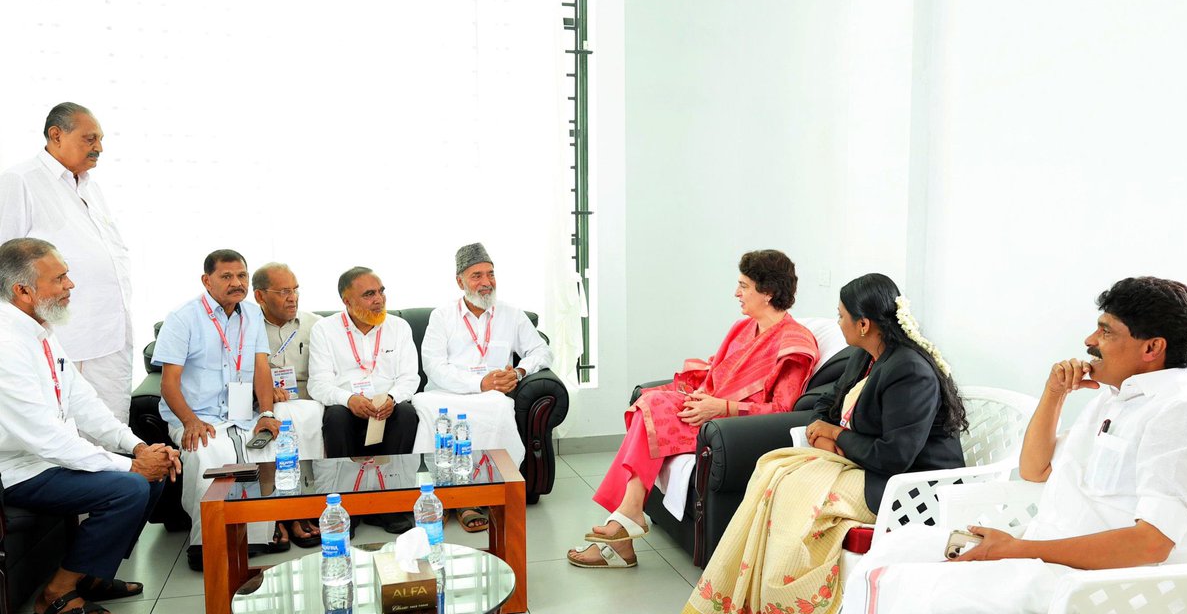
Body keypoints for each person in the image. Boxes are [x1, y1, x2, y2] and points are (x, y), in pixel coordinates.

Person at [824, 276, 1187, 614]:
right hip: (1041, 555)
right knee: (894, 551)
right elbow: (1035, 468)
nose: (1089, 341)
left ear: (1153, 348)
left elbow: (1150, 544)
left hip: (1101, 590)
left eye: (1106, 331)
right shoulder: (1116, 397)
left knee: (932, 598)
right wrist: (1054, 394)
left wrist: (1018, 548)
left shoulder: (1180, 413)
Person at [678, 272, 966, 614]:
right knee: (770, 470)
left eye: (842, 317)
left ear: (864, 324)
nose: (839, 323)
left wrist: (838, 437)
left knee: (797, 493)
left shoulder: (909, 370)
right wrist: (827, 433)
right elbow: (823, 408)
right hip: (865, 465)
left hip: (907, 486)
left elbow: (897, 456)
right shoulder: (865, 357)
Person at [569, 250, 820, 568]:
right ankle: (626, 522)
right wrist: (703, 398)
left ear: (768, 292)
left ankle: (625, 523)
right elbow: (715, 376)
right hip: (708, 407)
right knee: (648, 401)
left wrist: (723, 407)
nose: (736, 293)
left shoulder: (794, 343)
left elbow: (782, 409)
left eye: (743, 286)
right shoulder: (742, 328)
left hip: (734, 428)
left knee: (652, 407)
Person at [0, 239, 178, 614]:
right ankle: (55, 596)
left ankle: (91, 575)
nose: (71, 285)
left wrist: (139, 446)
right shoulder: (6, 345)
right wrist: (132, 465)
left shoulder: (40, 333)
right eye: (60, 278)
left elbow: (85, 403)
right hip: (16, 471)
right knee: (129, 487)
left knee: (153, 472)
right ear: (23, 291)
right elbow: (46, 438)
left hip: (45, 460)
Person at [0, 103, 134, 422]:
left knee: (113, 434)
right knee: (61, 442)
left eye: (100, 139)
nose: (99, 148)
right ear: (56, 135)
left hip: (110, 335)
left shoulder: (91, 186)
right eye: (90, 139)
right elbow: (5, 264)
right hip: (62, 340)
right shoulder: (19, 180)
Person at [153, 249, 281, 571]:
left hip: (239, 414)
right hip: (196, 416)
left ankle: (253, 537)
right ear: (206, 280)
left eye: (242, 276)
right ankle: (205, 543)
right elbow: (168, 383)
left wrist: (266, 413)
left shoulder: (251, 314)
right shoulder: (183, 317)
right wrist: (190, 421)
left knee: (268, 448)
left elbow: (261, 367)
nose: (236, 283)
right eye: (227, 276)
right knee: (206, 452)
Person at [412, 243, 553, 533]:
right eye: (477, 275)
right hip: (446, 394)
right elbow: (434, 366)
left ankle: (481, 493)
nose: (486, 282)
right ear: (460, 281)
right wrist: (479, 382)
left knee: (501, 407)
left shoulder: (512, 314)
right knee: (429, 408)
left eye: (490, 274)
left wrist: (519, 370)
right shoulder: (442, 316)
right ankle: (447, 494)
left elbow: (542, 350)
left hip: (491, 396)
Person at [307, 266, 420, 534]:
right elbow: (318, 383)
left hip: (388, 409)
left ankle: (390, 507)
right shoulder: (325, 330)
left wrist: (392, 397)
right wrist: (349, 399)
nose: (379, 299)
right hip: (348, 410)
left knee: (406, 414)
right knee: (334, 416)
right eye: (369, 294)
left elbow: (410, 378)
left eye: (381, 291)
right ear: (347, 301)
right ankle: (346, 508)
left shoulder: (399, 327)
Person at [253, 261, 324, 547]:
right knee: (278, 417)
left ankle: (300, 507)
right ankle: (276, 511)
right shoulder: (245, 326)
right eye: (283, 291)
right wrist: (265, 391)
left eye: (295, 290)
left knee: (305, 415)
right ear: (260, 296)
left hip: (308, 398)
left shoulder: (314, 324)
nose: (292, 297)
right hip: (264, 402)